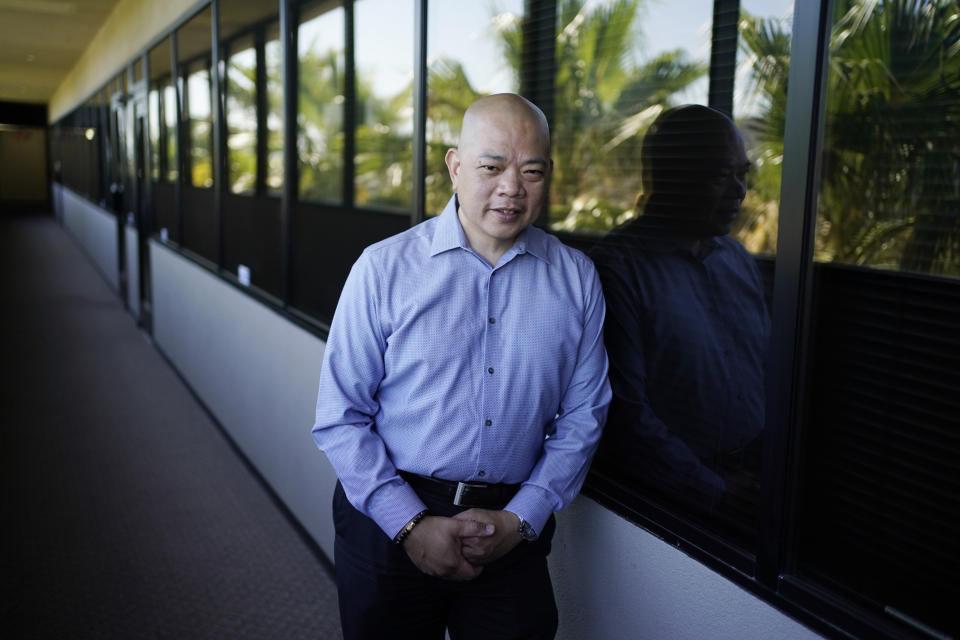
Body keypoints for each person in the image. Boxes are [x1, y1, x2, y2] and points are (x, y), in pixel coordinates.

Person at [312, 93, 611, 639]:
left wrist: (522, 518)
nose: (511, 188)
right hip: (389, 519)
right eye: (491, 166)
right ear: (454, 166)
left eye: (532, 170)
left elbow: (584, 418)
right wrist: (410, 524)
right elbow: (340, 416)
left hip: (510, 528)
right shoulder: (384, 269)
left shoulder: (576, 279)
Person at [590, 105, 769, 535]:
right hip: (676, 510)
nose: (739, 191)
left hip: (757, 485)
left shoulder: (738, 260)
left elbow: (767, 370)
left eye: (743, 173)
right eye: (718, 176)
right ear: (667, 178)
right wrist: (716, 491)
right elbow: (624, 413)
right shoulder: (617, 269)